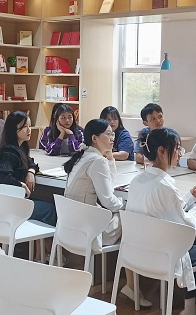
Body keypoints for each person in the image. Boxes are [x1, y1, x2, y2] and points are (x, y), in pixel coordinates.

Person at [127, 127, 196, 315]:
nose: (180, 153)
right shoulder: (165, 184)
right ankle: (195, 307)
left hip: (138, 250)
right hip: (163, 254)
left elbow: (168, 209)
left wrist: (191, 197)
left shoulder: (138, 180)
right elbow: (188, 225)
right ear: (162, 151)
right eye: (177, 148)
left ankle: (191, 305)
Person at [63, 119, 151, 308]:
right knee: (133, 219)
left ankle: (131, 285)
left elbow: (108, 185)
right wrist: (127, 205)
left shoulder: (85, 156)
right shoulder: (96, 161)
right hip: (90, 230)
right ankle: (133, 286)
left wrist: (109, 158)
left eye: (113, 134)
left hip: (72, 226)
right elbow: (109, 201)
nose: (112, 138)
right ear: (95, 138)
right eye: (108, 134)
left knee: (128, 217)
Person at [0, 111, 56, 226]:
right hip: (9, 207)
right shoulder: (9, 151)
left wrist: (30, 172)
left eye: (30, 126)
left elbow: (31, 162)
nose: (29, 130)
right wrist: (21, 185)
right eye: (24, 127)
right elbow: (1, 175)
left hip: (8, 203)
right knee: (50, 210)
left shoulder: (19, 148)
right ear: (13, 129)